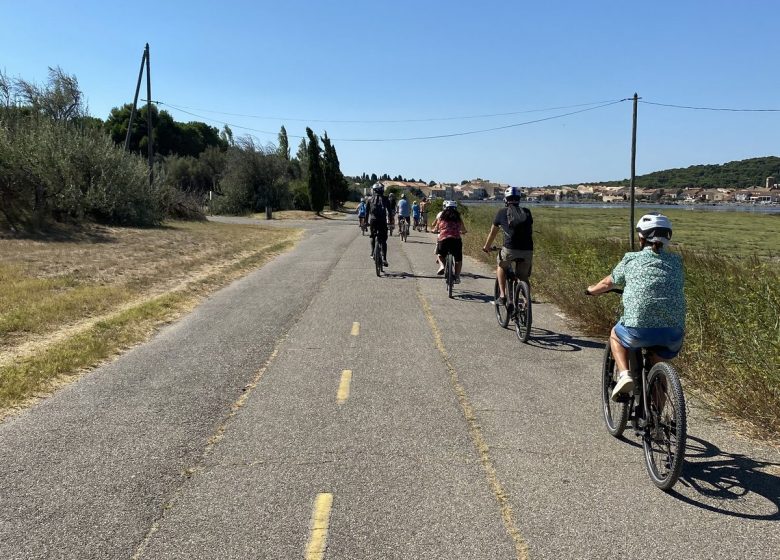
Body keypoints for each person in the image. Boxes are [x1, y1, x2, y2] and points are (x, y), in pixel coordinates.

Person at [586, 213, 685, 400]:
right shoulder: (677, 262)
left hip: (637, 330)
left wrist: (591, 290)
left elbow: (608, 283)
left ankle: (624, 375)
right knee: (659, 369)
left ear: (641, 237)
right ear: (668, 237)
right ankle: (657, 423)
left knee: (615, 334)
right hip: (673, 332)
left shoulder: (631, 259)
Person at [481, 186, 533, 308]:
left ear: (506, 199)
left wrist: (486, 247)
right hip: (528, 250)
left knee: (501, 265)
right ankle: (526, 303)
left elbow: (493, 233)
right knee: (523, 277)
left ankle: (503, 296)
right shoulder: (527, 212)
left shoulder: (501, 212)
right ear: (519, 199)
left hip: (510, 249)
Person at [432, 200, 467, 282]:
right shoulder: (458, 218)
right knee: (458, 259)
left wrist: (434, 231)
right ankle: (457, 276)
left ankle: (442, 266)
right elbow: (463, 229)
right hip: (456, 240)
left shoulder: (441, 217)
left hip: (444, 240)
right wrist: (463, 232)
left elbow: (436, 228)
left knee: (440, 254)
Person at [365, 183, 390, 266]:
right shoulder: (386, 199)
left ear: (373, 190)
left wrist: (366, 222)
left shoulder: (369, 199)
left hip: (373, 221)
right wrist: (390, 221)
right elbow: (390, 212)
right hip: (382, 221)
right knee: (383, 240)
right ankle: (384, 259)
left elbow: (366, 213)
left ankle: (372, 252)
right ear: (382, 190)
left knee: (372, 236)